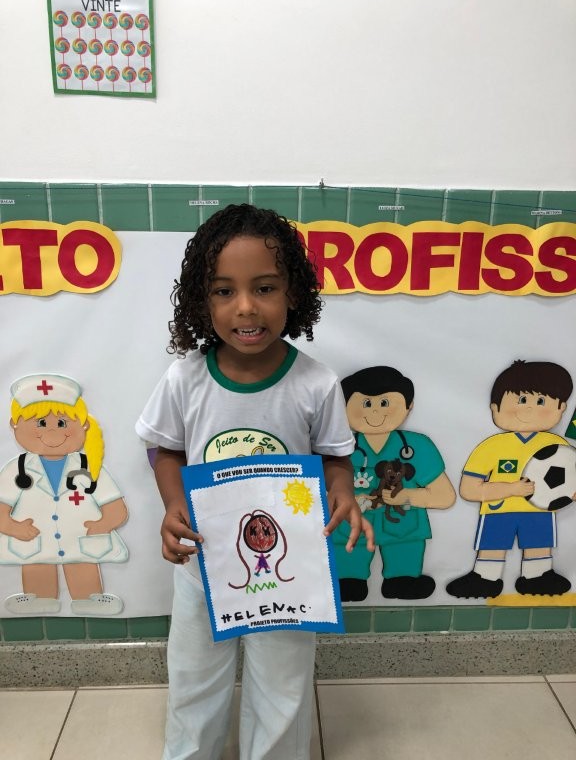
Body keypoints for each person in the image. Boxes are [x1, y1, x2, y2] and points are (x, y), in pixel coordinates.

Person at [135, 204, 373, 760]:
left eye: (264, 288)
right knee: (194, 677)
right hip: (204, 562)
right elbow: (164, 448)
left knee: (283, 683)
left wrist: (342, 491)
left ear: (294, 294)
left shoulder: (316, 383)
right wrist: (173, 504)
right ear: (202, 301)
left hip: (290, 570)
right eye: (224, 291)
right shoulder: (185, 378)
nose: (245, 307)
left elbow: (336, 456)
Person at [0, 373, 128, 615]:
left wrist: (103, 524)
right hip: (33, 540)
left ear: (84, 425)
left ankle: (88, 599)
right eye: (40, 423)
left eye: (62, 423)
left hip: (82, 537)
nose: (52, 431)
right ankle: (39, 598)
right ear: (14, 426)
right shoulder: (15, 470)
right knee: (37, 563)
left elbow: (115, 506)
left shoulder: (90, 466)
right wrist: (13, 527)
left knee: (81, 562)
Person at [446, 359, 575, 599]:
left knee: (539, 545)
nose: (529, 409)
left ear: (561, 408)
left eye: (541, 401)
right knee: (493, 545)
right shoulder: (492, 446)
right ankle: (485, 578)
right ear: (495, 408)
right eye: (522, 400)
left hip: (540, 511)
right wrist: (510, 489)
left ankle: (538, 576)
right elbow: (469, 489)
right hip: (499, 509)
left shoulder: (557, 445)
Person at [332, 366, 455, 601]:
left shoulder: (418, 447)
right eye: (366, 403)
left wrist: (406, 496)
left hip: (403, 526)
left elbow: (445, 496)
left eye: (384, 403)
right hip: (353, 525)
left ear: (409, 406)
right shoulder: (337, 447)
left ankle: (402, 579)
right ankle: (350, 579)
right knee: (347, 579)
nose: (375, 411)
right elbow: (319, 492)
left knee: (404, 571)